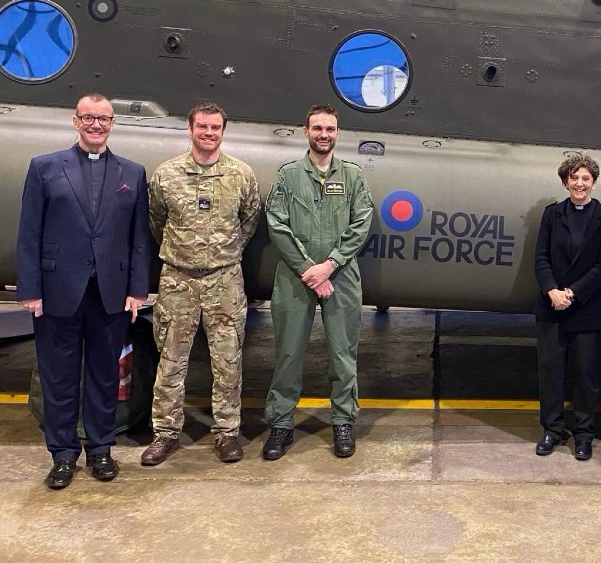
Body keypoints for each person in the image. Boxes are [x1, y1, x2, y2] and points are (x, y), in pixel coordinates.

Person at [16, 93, 149, 489]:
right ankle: (62, 455)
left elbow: (138, 238)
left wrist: (137, 290)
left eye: (103, 119)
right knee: (58, 378)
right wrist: (30, 289)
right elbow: (29, 233)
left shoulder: (132, 172)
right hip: (58, 291)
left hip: (110, 292)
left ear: (112, 123)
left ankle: (101, 449)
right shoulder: (44, 168)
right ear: (76, 121)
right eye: (88, 118)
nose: (96, 125)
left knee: (104, 376)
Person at [141, 102, 261, 466]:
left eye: (215, 128)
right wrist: (186, 254)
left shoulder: (241, 175)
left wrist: (223, 253)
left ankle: (227, 433)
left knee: (227, 360)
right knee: (171, 360)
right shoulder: (167, 175)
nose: (209, 133)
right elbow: (156, 221)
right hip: (178, 280)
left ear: (223, 132)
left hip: (224, 280)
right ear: (190, 129)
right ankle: (166, 433)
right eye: (202, 127)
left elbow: (250, 219)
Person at [262, 104, 374, 460]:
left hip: (340, 277)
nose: (323, 134)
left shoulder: (353, 176)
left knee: (343, 355)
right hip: (296, 277)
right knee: (288, 354)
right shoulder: (288, 175)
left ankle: (343, 422)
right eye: (317, 128)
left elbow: (361, 224)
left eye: (330, 129)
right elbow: (277, 224)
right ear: (305, 131)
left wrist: (330, 265)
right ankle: (281, 425)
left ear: (337, 133)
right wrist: (307, 269)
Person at [533, 153, 601, 461]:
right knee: (551, 373)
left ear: (593, 182)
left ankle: (583, 434)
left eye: (585, 178)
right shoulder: (551, 214)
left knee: (585, 375)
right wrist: (551, 290)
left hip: (586, 309)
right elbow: (540, 257)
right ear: (566, 181)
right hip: (551, 308)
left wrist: (573, 292)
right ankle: (552, 430)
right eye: (574, 177)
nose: (579, 183)